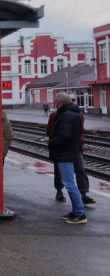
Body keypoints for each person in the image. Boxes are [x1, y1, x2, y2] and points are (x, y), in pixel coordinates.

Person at [48, 92, 87, 224]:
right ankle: (76, 210)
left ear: (58, 103)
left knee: (69, 183)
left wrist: (52, 142)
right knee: (70, 182)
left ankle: (80, 213)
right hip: (71, 151)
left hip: (65, 153)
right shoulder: (75, 113)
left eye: (55, 102)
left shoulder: (66, 116)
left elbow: (64, 135)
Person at [46, 98, 95, 205]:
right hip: (61, 148)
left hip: (74, 147)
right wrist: (53, 142)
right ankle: (59, 191)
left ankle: (83, 194)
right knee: (60, 172)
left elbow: (80, 130)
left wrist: (80, 141)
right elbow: (50, 130)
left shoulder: (78, 114)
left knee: (80, 170)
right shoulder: (55, 115)